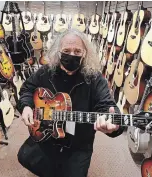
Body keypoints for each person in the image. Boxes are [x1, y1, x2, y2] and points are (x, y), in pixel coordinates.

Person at [16, 29, 124, 177]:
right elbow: (27, 89)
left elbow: (107, 105)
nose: (71, 55)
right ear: (58, 51)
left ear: (85, 53)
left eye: (77, 51)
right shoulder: (45, 72)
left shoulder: (95, 79)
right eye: (66, 50)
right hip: (47, 136)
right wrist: (26, 106)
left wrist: (113, 124)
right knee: (25, 157)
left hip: (78, 145)